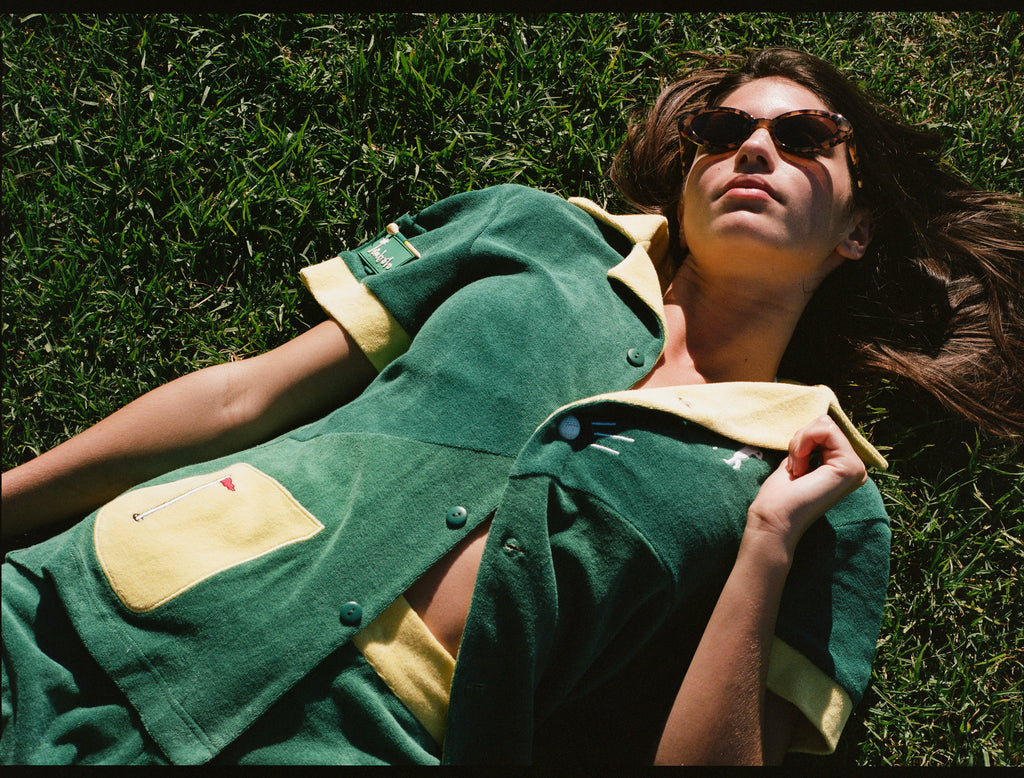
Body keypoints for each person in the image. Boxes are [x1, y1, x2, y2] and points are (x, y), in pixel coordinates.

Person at [2, 48, 1021, 766]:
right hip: (91, 608)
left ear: (855, 228)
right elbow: (248, 392)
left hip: (363, 744)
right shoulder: (533, 233)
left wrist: (762, 545)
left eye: (802, 136)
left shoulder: (824, 496)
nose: (754, 147)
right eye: (724, 130)